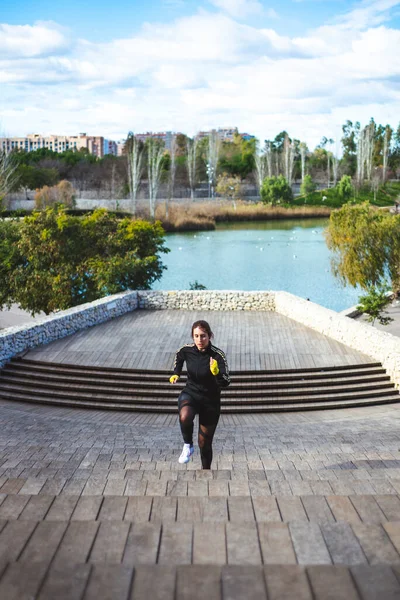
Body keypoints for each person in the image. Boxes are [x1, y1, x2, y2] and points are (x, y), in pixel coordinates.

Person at [169, 320, 230, 469]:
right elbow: (179, 356)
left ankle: (206, 471)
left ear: (209, 336)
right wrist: (176, 372)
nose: (199, 340)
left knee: (204, 443)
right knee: (185, 416)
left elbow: (226, 381)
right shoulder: (187, 350)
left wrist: (216, 373)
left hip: (210, 401)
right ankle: (187, 445)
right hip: (191, 393)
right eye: (196, 336)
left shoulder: (218, 355)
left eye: (203, 336)